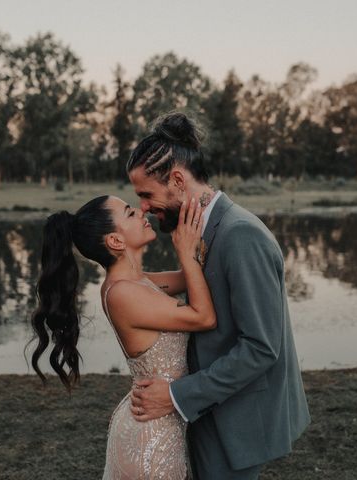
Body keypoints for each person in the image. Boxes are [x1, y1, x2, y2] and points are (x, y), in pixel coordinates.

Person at [127, 112, 311, 479]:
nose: (144, 208)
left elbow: (261, 347)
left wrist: (178, 395)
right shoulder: (198, 231)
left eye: (146, 195)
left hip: (236, 418)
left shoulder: (241, 235)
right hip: (209, 407)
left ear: (177, 180)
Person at [29, 193, 217, 479]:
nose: (142, 213)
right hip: (149, 442)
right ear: (115, 241)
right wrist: (185, 251)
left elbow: (191, 275)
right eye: (130, 213)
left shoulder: (137, 282)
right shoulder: (122, 293)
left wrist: (194, 231)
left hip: (159, 424)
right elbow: (203, 317)